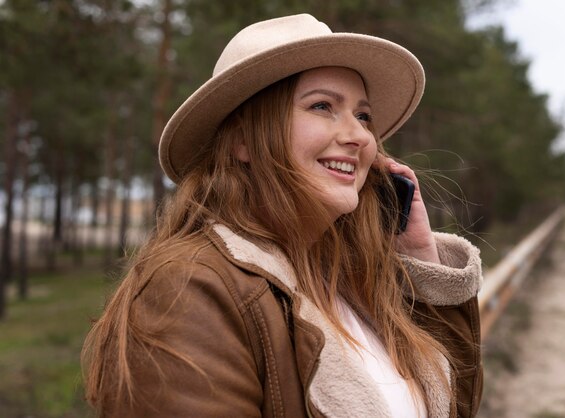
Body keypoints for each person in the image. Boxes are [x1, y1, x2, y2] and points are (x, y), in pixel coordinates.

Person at [82, 13, 483, 418]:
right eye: (323, 106)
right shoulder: (190, 289)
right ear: (243, 141)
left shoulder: (355, 286)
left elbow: (455, 406)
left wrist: (421, 263)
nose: (360, 136)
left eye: (363, 116)